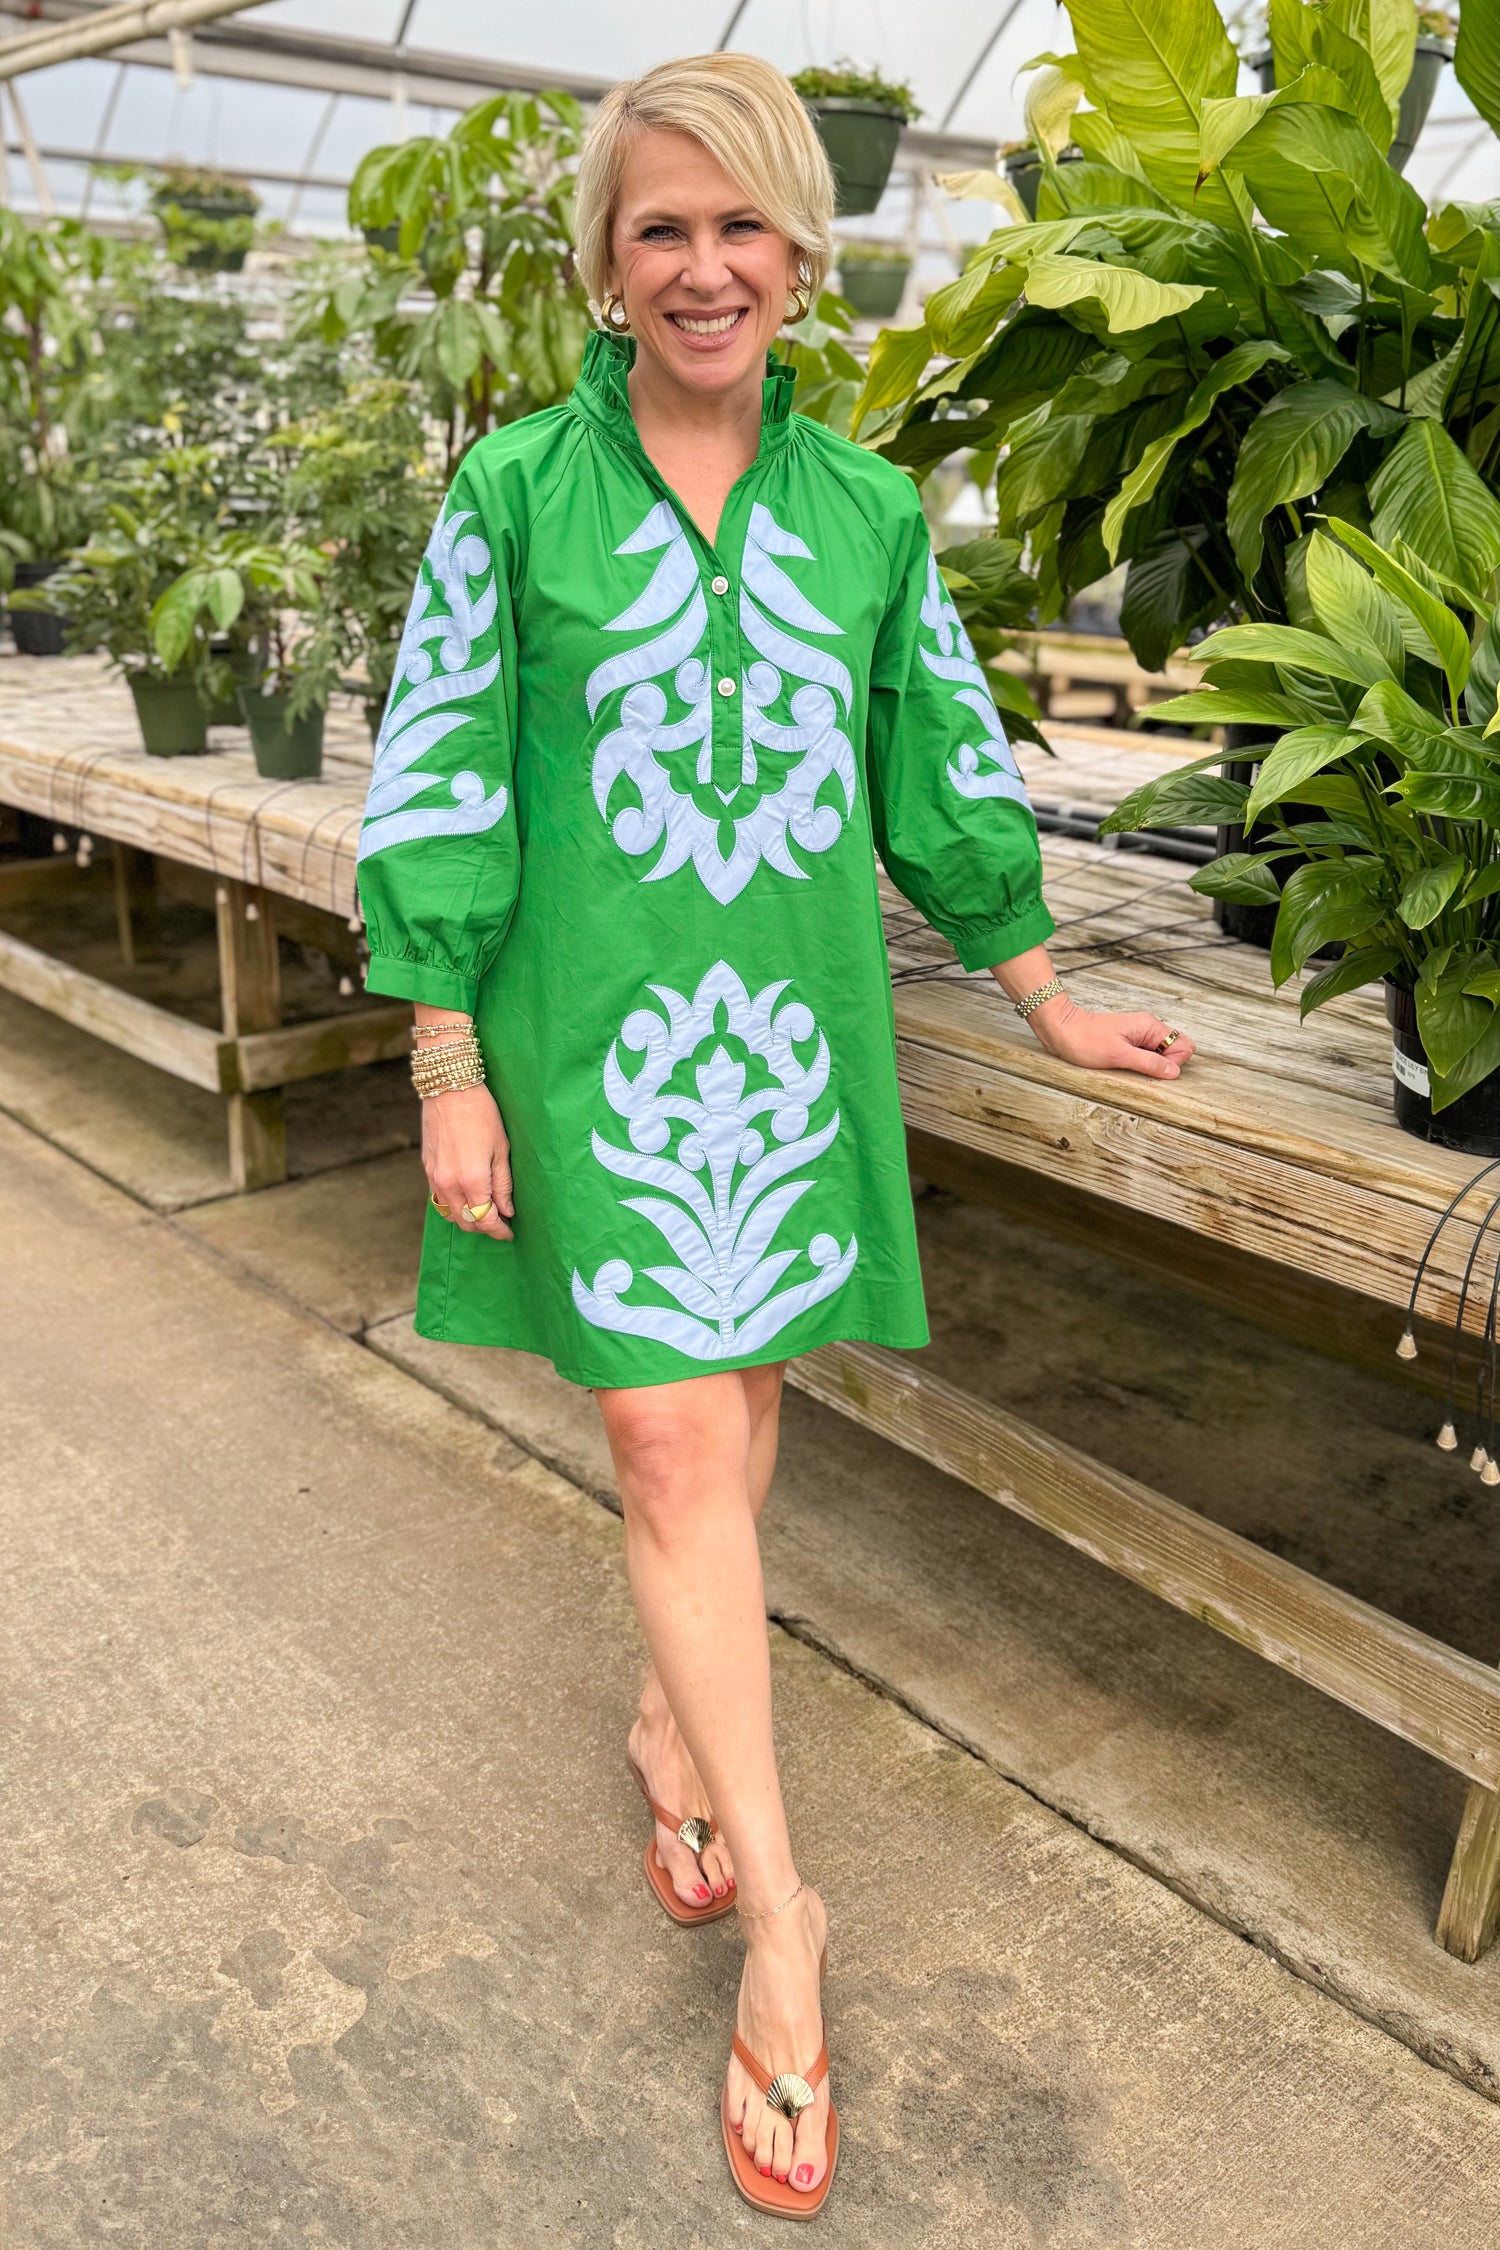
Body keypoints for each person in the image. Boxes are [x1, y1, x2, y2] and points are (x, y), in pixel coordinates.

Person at [356, 50, 1195, 2220]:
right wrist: (446, 1056)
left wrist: (1047, 993)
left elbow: (944, 760)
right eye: (663, 226)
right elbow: (442, 765)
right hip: (583, 1033)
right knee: (662, 1436)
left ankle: (673, 1728)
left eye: (742, 224)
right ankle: (790, 1923)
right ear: (606, 263)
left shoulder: (870, 517)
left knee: (731, 1404)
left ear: (803, 255)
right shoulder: (513, 494)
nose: (705, 265)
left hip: (788, 1036)